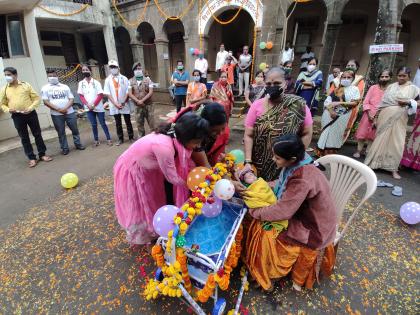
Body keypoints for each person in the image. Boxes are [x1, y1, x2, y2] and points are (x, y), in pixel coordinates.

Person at [244, 134, 336, 292]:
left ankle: (270, 272)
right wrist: (260, 184)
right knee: (262, 214)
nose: (273, 160)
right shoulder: (299, 161)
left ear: (292, 158)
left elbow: (283, 211)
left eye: (277, 158)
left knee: (264, 229)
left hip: (314, 228)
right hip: (307, 214)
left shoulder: (302, 178)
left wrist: (255, 212)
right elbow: (282, 185)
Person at [113, 113, 209, 244]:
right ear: (187, 137)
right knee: (141, 202)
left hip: (149, 168)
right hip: (133, 169)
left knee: (153, 197)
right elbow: (173, 178)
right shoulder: (165, 147)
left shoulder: (175, 137)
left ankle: (153, 228)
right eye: (196, 142)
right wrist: (194, 187)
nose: (198, 147)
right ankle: (145, 235)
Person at [243, 67, 313, 182]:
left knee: (282, 192)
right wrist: (248, 161)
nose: (272, 86)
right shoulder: (257, 105)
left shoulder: (298, 105)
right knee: (259, 192)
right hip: (258, 163)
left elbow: (307, 133)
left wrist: (295, 160)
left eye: (277, 83)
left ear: (285, 84)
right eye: (269, 83)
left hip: (286, 165)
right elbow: (249, 135)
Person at [365, 67, 419, 179]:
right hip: (384, 117)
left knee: (397, 142)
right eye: (399, 75)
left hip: (400, 118)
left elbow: (418, 103)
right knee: (380, 139)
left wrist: (409, 102)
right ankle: (373, 163)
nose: (401, 77)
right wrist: (375, 118)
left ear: (409, 76)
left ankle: (393, 168)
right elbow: (382, 103)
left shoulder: (414, 89)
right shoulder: (391, 87)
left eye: (404, 75)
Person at [0, 67, 52, 167]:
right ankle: (31, 158)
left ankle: (42, 154)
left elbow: (36, 99)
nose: (7, 77)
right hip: (17, 116)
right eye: (5, 75)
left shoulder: (25, 85)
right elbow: (2, 104)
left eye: (9, 74)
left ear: (15, 75)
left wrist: (30, 108)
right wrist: (8, 109)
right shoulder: (4, 89)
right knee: (24, 137)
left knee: (37, 134)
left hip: (30, 114)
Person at [316, 70, 360, 156]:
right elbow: (327, 102)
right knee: (326, 132)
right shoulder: (336, 89)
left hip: (343, 115)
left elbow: (355, 103)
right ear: (341, 78)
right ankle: (320, 153)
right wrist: (331, 111)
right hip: (329, 114)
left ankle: (330, 155)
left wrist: (340, 103)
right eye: (344, 77)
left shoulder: (355, 89)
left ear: (353, 79)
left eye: (348, 77)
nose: (346, 79)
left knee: (335, 135)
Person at [42, 69, 85, 155]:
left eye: (54, 76)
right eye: (50, 76)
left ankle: (78, 144)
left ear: (57, 76)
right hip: (56, 114)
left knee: (75, 129)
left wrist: (65, 108)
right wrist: (59, 109)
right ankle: (65, 148)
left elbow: (71, 99)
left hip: (70, 112)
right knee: (61, 132)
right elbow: (46, 101)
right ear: (47, 77)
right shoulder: (45, 88)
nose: (52, 78)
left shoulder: (64, 86)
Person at [173, 102, 228, 167]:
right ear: (205, 126)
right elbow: (205, 165)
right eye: (214, 131)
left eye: (223, 128)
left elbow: (221, 154)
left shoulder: (223, 131)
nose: (220, 133)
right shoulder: (194, 134)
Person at [353, 70, 392, 158]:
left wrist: (378, 116)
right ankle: (358, 150)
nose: (384, 78)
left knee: (373, 135)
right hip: (368, 114)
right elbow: (366, 101)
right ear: (379, 78)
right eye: (382, 76)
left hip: (381, 115)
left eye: (386, 76)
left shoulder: (391, 90)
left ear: (390, 78)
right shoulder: (373, 87)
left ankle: (368, 151)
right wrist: (370, 113)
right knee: (362, 133)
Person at [78, 64, 112, 147]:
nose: (85, 71)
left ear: (90, 71)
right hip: (88, 108)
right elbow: (81, 96)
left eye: (87, 70)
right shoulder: (81, 83)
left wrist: (93, 104)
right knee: (93, 125)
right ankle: (96, 140)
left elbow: (100, 95)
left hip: (98, 107)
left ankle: (109, 139)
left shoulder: (96, 82)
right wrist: (87, 104)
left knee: (103, 123)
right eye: (83, 70)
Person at [103, 60, 133, 146]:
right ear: (109, 69)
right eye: (111, 67)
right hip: (114, 104)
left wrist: (123, 101)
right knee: (118, 122)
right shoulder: (107, 80)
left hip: (124, 103)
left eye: (114, 67)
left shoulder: (124, 78)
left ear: (118, 68)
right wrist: (115, 104)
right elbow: (107, 93)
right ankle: (120, 139)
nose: (113, 69)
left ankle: (131, 137)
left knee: (128, 121)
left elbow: (128, 90)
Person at [128, 62, 154, 138]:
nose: (138, 70)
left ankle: (154, 140)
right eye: (136, 69)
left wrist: (141, 101)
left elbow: (151, 92)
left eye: (139, 68)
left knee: (152, 124)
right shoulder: (130, 81)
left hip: (149, 106)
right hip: (137, 107)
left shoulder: (148, 80)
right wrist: (138, 101)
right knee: (139, 125)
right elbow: (130, 93)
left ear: (142, 69)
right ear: (133, 70)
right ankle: (141, 142)